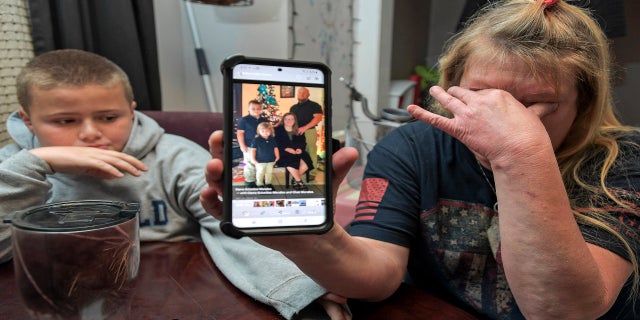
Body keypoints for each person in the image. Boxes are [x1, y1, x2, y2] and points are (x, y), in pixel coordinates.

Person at [201, 0, 640, 318]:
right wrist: (306, 240)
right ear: (450, 86)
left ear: (583, 104)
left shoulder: (622, 162)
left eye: (536, 105)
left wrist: (519, 156)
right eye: (482, 96)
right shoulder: (411, 149)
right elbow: (377, 276)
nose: (501, 120)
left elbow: (564, 313)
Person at [0, 49, 335, 320]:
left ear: (131, 112)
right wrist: (35, 165)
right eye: (65, 121)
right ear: (27, 119)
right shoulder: (13, 166)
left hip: (173, 290)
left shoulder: (174, 156)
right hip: (56, 295)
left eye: (108, 117)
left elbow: (229, 225)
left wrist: (297, 289)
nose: (90, 133)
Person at [289, 87, 323, 179]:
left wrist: (304, 128)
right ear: (297, 94)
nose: (302, 94)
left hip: (309, 131)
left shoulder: (314, 105)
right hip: (295, 133)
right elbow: (289, 119)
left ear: (308, 94)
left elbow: (318, 118)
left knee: (311, 151)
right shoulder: (293, 107)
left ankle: (312, 172)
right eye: (300, 92)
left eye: (304, 92)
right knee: (298, 152)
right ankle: (302, 169)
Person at [275, 112, 313, 190]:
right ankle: (299, 181)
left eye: (291, 119)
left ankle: (294, 179)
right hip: (282, 151)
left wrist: (300, 149)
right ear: (283, 120)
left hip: (297, 151)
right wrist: (286, 148)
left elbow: (303, 142)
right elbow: (276, 142)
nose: (289, 120)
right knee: (289, 161)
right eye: (287, 119)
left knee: (306, 160)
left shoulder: (299, 130)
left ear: (295, 120)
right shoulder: (278, 129)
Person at [236, 99, 268, 187]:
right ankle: (249, 181)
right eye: (253, 108)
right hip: (249, 146)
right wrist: (242, 145)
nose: (256, 110)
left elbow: (268, 132)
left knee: (261, 163)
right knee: (248, 163)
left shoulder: (264, 120)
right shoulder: (244, 120)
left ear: (261, 109)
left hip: (262, 146)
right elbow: (240, 133)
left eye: (258, 108)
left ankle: (260, 178)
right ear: (249, 109)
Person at [251, 122, 279, 189]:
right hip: (260, 161)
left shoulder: (272, 139)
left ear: (270, 131)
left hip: (270, 160)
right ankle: (259, 184)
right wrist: (253, 159)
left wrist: (277, 156)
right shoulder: (256, 140)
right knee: (260, 172)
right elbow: (253, 150)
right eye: (262, 131)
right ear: (259, 131)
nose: (265, 132)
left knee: (269, 172)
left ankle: (268, 183)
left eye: (267, 131)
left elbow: (276, 148)